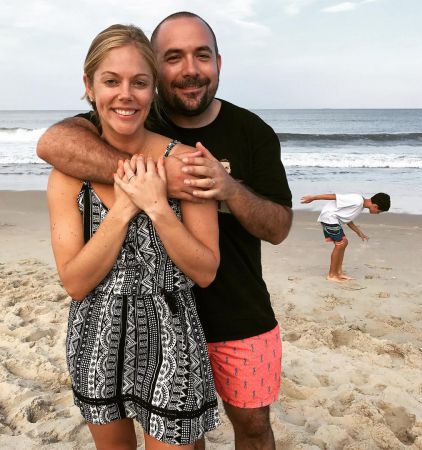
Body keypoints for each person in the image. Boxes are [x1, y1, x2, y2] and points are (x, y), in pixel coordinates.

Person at [37, 12, 293, 450]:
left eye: (201, 56)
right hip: (103, 333)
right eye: (174, 57)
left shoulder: (234, 140)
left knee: (251, 426)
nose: (190, 69)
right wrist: (135, 192)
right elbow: (53, 143)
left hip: (217, 316)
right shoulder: (98, 137)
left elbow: (270, 231)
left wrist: (220, 190)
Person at [46, 24, 221, 449]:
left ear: (153, 89)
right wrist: (125, 206)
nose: (125, 95)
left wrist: (158, 206)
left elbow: (205, 271)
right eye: (111, 81)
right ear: (89, 86)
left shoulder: (186, 163)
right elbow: (75, 282)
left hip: (172, 334)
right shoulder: (68, 174)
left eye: (139, 83)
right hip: (96, 333)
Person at [300, 193, 390, 282]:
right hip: (329, 217)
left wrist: (358, 232)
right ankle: (332, 275)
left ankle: (338, 272)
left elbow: (348, 219)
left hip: (333, 219)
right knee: (341, 243)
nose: (378, 213)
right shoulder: (357, 200)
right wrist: (313, 198)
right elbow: (334, 196)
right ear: (375, 206)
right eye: (379, 211)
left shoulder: (360, 205)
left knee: (344, 243)